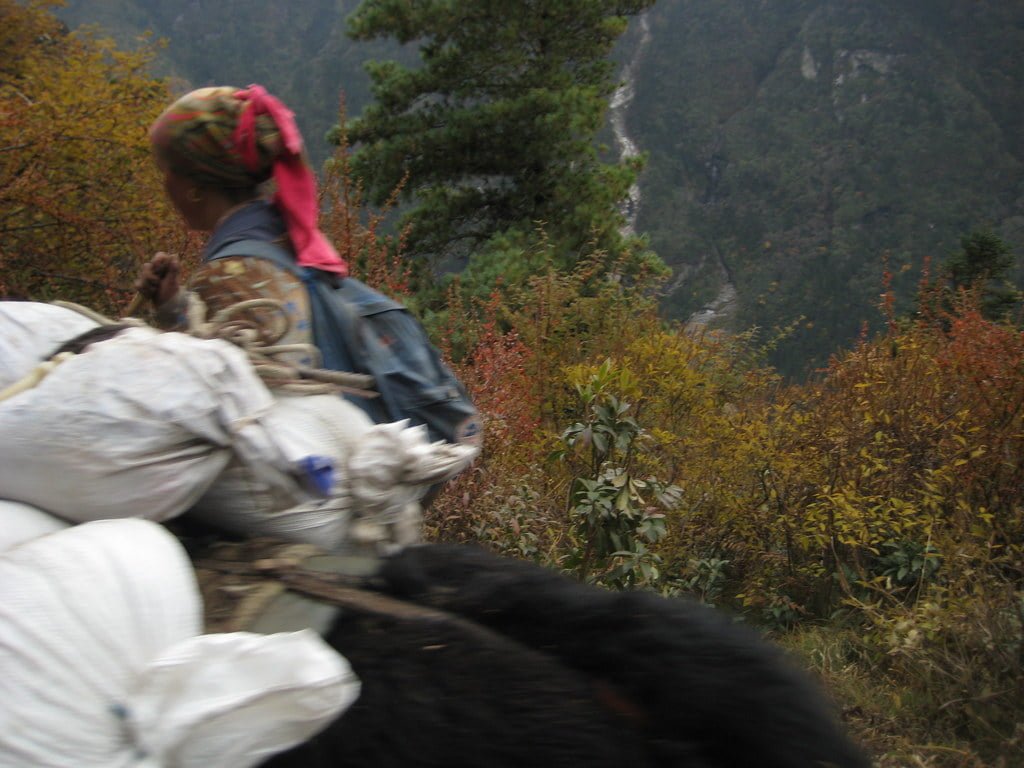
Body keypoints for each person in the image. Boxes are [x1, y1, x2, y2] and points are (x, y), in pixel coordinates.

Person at [136, 85, 480, 451]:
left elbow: (231, 408)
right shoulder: (284, 243)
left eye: (167, 171)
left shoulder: (232, 273)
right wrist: (172, 306)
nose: (164, 184)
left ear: (193, 185)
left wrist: (174, 320)